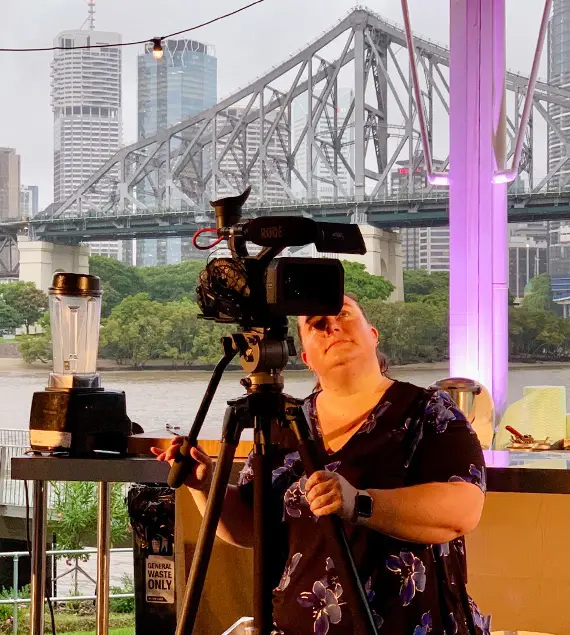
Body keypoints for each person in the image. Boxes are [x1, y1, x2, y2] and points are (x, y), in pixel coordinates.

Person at [152, 295, 489, 635]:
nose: (333, 327)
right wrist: (205, 486)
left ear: (373, 334)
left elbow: (462, 510)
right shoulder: (283, 424)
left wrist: (359, 502)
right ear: (305, 357)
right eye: (317, 324)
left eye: (343, 313)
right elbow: (250, 527)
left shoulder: (428, 410)